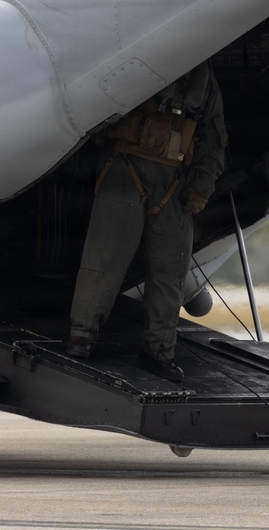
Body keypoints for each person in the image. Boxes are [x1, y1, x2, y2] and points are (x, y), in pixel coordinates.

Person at [66, 62, 228, 383]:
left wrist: (202, 187)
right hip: (125, 167)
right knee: (105, 258)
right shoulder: (137, 63)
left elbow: (214, 141)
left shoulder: (205, 84)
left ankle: (160, 351)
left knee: (171, 271)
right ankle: (80, 335)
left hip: (173, 183)